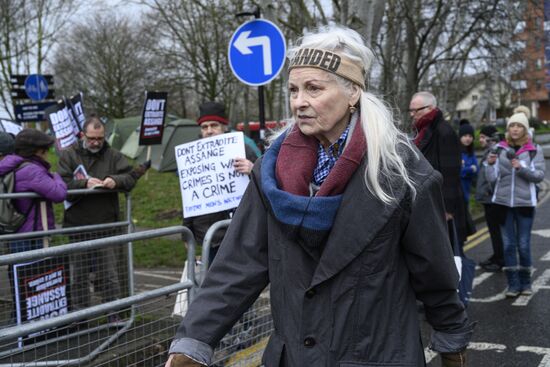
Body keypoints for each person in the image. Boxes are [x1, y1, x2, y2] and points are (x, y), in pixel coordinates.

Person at [166, 25, 473, 367]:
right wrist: (193, 341)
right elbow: (238, 264)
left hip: (377, 355)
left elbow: (434, 270)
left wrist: (452, 341)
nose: (299, 102)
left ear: (352, 91)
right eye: (294, 90)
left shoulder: (402, 171)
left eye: (314, 88)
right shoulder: (271, 169)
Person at [58, 116, 144, 310]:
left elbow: (130, 176)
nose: (96, 143)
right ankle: (79, 315)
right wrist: (83, 183)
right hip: (77, 225)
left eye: (100, 138)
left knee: (109, 273)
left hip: (107, 225)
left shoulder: (113, 155)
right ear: (82, 135)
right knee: (78, 274)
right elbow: (61, 184)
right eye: (91, 139)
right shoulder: (68, 155)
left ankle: (112, 311)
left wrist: (115, 180)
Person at [183, 101, 257, 264]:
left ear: (224, 126)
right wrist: (187, 233)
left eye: (214, 125)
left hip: (240, 235)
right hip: (208, 239)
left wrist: (253, 170)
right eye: (204, 127)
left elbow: (267, 182)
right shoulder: (192, 157)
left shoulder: (244, 150)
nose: (209, 131)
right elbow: (190, 195)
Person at [485, 113, 544, 297]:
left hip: (525, 203)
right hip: (502, 204)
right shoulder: (499, 149)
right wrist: (489, 165)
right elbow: (492, 180)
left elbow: (539, 176)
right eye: (512, 126)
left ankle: (526, 283)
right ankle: (512, 285)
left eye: (519, 126)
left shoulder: (534, 150)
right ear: (508, 129)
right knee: (508, 245)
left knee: (524, 244)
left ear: (525, 129)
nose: (515, 129)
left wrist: (521, 168)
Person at [409, 91, 474, 244]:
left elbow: (451, 172)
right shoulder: (423, 130)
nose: (412, 114)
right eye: (410, 110)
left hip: (442, 204)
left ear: (430, 108)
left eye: (416, 110)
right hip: (429, 200)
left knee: (450, 255)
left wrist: (448, 209)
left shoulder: (444, 132)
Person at [0, 129, 67, 251]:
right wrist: (56, 176)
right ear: (38, 151)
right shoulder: (32, 171)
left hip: (17, 230)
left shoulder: (13, 165)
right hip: (32, 234)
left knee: (19, 267)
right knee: (34, 268)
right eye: (47, 150)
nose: (47, 154)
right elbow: (59, 194)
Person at [475, 125, 504, 272]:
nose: (480, 139)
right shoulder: (491, 151)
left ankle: (500, 260)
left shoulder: (495, 152)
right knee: (493, 231)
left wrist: (488, 192)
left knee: (496, 230)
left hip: (492, 199)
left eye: (482, 137)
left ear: (490, 138)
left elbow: (494, 177)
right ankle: (497, 255)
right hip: (488, 199)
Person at [458, 121, 478, 205]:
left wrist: (464, 170)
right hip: (456, 192)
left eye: (470, 136)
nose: (468, 138)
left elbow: (477, 170)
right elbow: (458, 172)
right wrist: (470, 169)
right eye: (465, 136)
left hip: (466, 191)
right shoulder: (456, 152)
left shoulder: (471, 153)